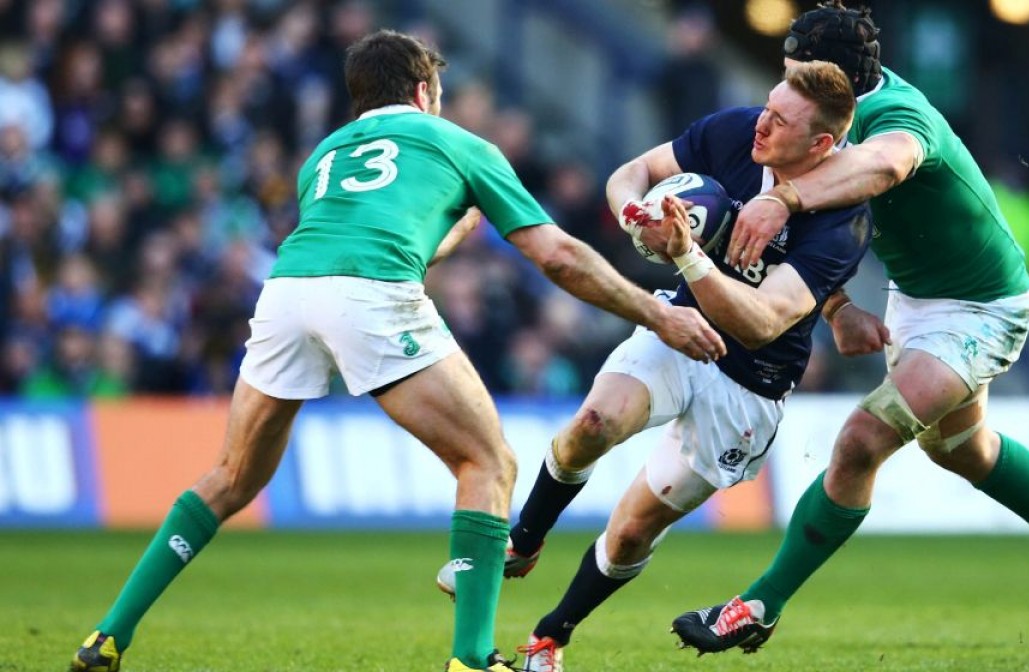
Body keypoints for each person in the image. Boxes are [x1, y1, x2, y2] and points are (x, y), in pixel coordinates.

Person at [69, 30, 725, 672]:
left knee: (231, 477)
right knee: (487, 461)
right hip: (371, 296)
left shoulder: (324, 155)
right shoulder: (458, 143)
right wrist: (656, 314)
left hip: (287, 291)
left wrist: (452, 234)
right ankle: (473, 659)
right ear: (422, 90)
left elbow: (380, 240)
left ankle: (108, 637)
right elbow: (557, 257)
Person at [672, 1, 1029, 655]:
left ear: (830, 75)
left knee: (861, 440)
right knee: (962, 449)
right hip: (915, 301)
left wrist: (782, 196)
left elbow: (886, 165)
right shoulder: (814, 120)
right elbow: (806, 238)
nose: (783, 83)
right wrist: (838, 308)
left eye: (794, 70)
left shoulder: (898, 114)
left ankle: (758, 605)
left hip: (982, 305)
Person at [439, 61, 870, 672]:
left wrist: (689, 256)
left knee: (633, 531)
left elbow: (763, 321)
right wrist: (635, 215)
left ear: (822, 144)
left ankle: (550, 635)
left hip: (752, 382)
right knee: (594, 423)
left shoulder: (844, 219)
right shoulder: (737, 131)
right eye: (768, 106)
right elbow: (632, 173)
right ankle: (525, 539)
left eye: (781, 120)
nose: (763, 123)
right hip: (679, 327)